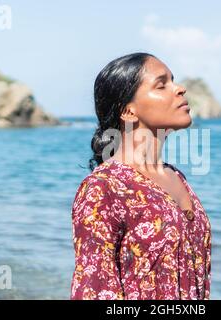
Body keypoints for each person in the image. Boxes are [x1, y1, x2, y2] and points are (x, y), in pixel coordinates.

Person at [70, 52, 211, 300]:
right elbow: (93, 290)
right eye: (161, 84)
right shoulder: (104, 187)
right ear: (128, 111)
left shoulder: (176, 177)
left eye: (173, 80)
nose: (180, 89)